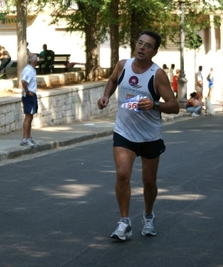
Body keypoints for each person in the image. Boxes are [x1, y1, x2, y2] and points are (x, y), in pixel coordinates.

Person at [97, 30, 179, 241]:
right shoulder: (123, 65)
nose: (142, 47)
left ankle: (148, 215)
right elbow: (113, 80)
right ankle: (124, 222)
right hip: (124, 131)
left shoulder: (157, 74)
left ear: (155, 51)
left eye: (147, 45)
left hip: (150, 135)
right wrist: (106, 96)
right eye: (139, 43)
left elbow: (174, 106)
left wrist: (154, 104)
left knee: (149, 181)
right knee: (123, 174)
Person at [20, 53, 39, 147]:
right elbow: (24, 82)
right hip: (29, 96)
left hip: (32, 95)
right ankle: (25, 139)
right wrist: (27, 92)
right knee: (28, 117)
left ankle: (28, 137)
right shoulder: (28, 70)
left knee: (30, 117)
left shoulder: (31, 70)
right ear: (34, 61)